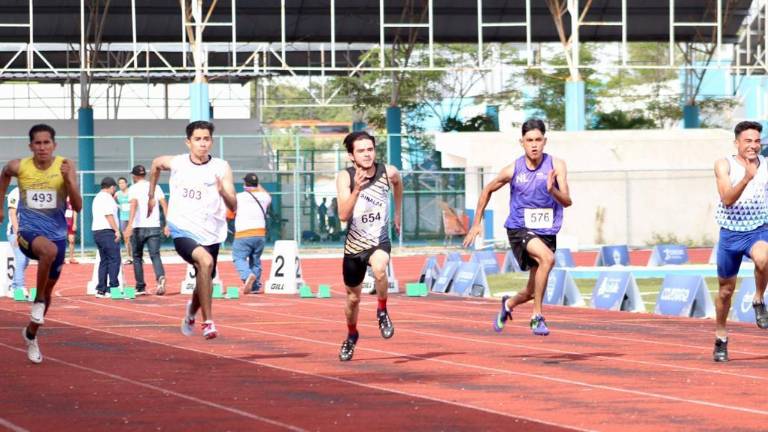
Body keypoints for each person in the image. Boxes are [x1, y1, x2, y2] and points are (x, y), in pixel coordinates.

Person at [463, 118, 572, 337]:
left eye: (538, 140)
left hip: (547, 231)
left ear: (545, 141)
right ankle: (537, 317)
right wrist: (476, 223)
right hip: (519, 228)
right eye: (529, 140)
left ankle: (508, 305)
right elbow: (487, 190)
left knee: (532, 291)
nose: (534, 145)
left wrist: (552, 190)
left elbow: (567, 200)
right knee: (548, 259)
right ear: (521, 142)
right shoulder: (513, 169)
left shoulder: (557, 165)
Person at [0, 123, 83, 364]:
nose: (42, 147)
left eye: (47, 143)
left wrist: (69, 181)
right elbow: (4, 174)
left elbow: (77, 206)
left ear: (54, 145)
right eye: (38, 143)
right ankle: (36, 301)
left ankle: (31, 334)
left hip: (56, 233)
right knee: (49, 251)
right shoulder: (20, 166)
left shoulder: (65, 166)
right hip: (28, 232)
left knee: (49, 291)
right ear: (31, 146)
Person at [148, 120, 236, 340]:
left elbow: (233, 205)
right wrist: (151, 193)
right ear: (188, 142)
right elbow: (156, 163)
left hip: (212, 232)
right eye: (198, 139)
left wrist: (222, 193)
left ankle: (191, 313)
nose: (202, 143)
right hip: (182, 229)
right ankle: (208, 322)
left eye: (206, 139)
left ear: (211, 141)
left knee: (204, 277)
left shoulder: (221, 167)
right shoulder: (178, 163)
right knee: (205, 263)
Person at [336, 131, 403, 362]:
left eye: (370, 149)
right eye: (361, 151)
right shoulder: (345, 177)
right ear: (351, 156)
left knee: (380, 268)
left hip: (379, 241)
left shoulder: (387, 171)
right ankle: (352, 335)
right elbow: (343, 215)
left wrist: (397, 212)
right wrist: (356, 189)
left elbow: (398, 183)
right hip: (355, 246)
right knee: (352, 300)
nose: (367, 154)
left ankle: (382, 310)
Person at [712, 121, 768, 362]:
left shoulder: (766, 166)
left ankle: (758, 298)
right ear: (737, 142)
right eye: (748, 141)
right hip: (730, 235)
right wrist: (746, 178)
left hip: (758, 230)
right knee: (726, 292)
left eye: (757, 141)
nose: (753, 146)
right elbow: (726, 199)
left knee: (764, 258)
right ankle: (721, 337)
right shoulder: (724, 164)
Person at [123, 165, 169, 296]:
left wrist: (130, 225)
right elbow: (164, 205)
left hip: (138, 227)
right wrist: (167, 224)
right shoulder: (155, 187)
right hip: (154, 226)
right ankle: (160, 276)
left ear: (135, 176)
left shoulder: (133, 189)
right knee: (155, 255)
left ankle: (140, 286)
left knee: (137, 257)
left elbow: (133, 205)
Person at [232, 172, 271, 294]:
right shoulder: (266, 197)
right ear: (257, 184)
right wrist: (257, 185)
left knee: (238, 257)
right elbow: (265, 193)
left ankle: (247, 275)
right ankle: (254, 287)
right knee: (256, 260)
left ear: (245, 184)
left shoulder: (239, 197)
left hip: (243, 233)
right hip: (260, 234)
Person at [92, 177, 121, 298]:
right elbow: (109, 215)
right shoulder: (107, 198)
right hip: (107, 231)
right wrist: (116, 230)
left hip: (97, 231)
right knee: (114, 259)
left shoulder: (97, 197)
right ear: (112, 187)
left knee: (104, 260)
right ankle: (113, 288)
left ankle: (101, 289)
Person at [6, 187, 30, 297]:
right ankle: (20, 287)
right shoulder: (15, 193)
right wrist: (17, 233)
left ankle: (13, 287)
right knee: (21, 258)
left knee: (25, 261)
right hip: (14, 232)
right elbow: (12, 214)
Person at [115, 177, 133, 264]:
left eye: (123, 183)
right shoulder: (118, 193)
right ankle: (129, 256)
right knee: (126, 237)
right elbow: (112, 200)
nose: (121, 185)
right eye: (119, 183)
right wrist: (118, 206)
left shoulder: (131, 192)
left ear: (126, 183)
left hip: (131, 218)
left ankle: (137, 256)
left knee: (133, 237)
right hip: (123, 218)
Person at [65, 196, 79, 264]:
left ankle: (71, 258)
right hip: (62, 222)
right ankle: (61, 258)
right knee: (61, 240)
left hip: (70, 221)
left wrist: (75, 223)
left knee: (72, 240)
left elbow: (75, 211)